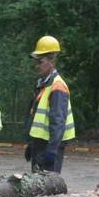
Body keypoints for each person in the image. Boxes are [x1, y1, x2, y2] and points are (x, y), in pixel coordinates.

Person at [26, 36, 74, 174]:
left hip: (50, 147)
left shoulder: (57, 86)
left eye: (40, 62)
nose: (37, 65)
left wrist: (52, 151)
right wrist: (32, 144)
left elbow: (58, 122)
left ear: (52, 61)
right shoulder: (44, 84)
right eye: (36, 62)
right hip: (41, 145)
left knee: (48, 190)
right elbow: (37, 118)